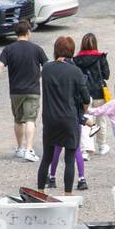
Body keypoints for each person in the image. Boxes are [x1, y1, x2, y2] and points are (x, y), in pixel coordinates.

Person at [37, 35, 89, 194]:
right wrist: (83, 112)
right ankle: (67, 195)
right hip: (69, 119)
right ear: (71, 51)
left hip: (50, 118)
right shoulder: (76, 71)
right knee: (69, 160)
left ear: (55, 50)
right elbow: (86, 98)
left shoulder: (46, 69)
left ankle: (40, 192)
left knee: (46, 157)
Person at [0, 20, 46, 163]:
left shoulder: (8, 49)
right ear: (28, 32)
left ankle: (20, 148)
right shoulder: (37, 49)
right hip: (33, 90)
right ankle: (29, 149)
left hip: (15, 91)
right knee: (30, 120)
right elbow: (47, 67)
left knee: (18, 120)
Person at [72, 33, 111, 154]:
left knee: (86, 119)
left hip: (84, 94)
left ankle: (86, 149)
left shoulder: (76, 59)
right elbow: (106, 75)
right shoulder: (101, 57)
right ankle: (102, 145)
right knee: (101, 120)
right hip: (99, 92)